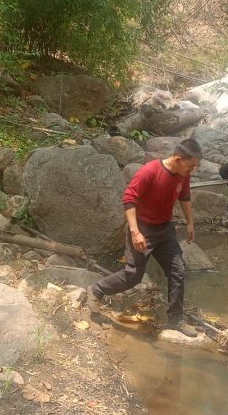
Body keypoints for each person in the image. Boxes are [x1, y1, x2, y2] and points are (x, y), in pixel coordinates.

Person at [87, 139, 203, 338]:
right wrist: (135, 232)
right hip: (142, 228)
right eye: (191, 166)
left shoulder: (183, 175)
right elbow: (128, 199)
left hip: (165, 230)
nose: (192, 170)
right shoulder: (150, 171)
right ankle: (97, 289)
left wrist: (190, 222)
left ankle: (175, 320)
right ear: (178, 159)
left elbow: (184, 197)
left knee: (178, 271)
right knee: (133, 275)